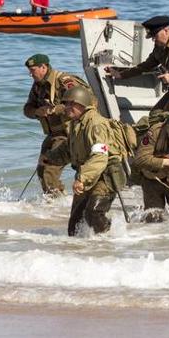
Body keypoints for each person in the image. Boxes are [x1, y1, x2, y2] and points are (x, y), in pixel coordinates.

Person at [59, 85, 127, 236]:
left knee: (94, 213)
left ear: (82, 104)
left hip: (106, 175)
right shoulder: (76, 123)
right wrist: (50, 157)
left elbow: (99, 157)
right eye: (66, 104)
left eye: (71, 103)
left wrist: (82, 178)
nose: (67, 107)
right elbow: (70, 150)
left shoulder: (96, 124)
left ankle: (109, 240)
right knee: (74, 227)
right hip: (89, 174)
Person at [23, 53, 89, 198]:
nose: (30, 74)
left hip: (69, 134)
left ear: (43, 67)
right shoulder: (37, 86)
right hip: (53, 135)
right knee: (42, 170)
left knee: (50, 170)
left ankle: (56, 204)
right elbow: (26, 109)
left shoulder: (63, 81)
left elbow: (83, 102)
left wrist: (54, 109)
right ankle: (58, 202)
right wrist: (37, 111)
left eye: (33, 70)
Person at [105, 15, 169, 86]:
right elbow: (145, 66)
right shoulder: (160, 46)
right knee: (156, 113)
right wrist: (121, 74)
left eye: (155, 35)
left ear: (166, 31)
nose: (153, 39)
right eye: (152, 37)